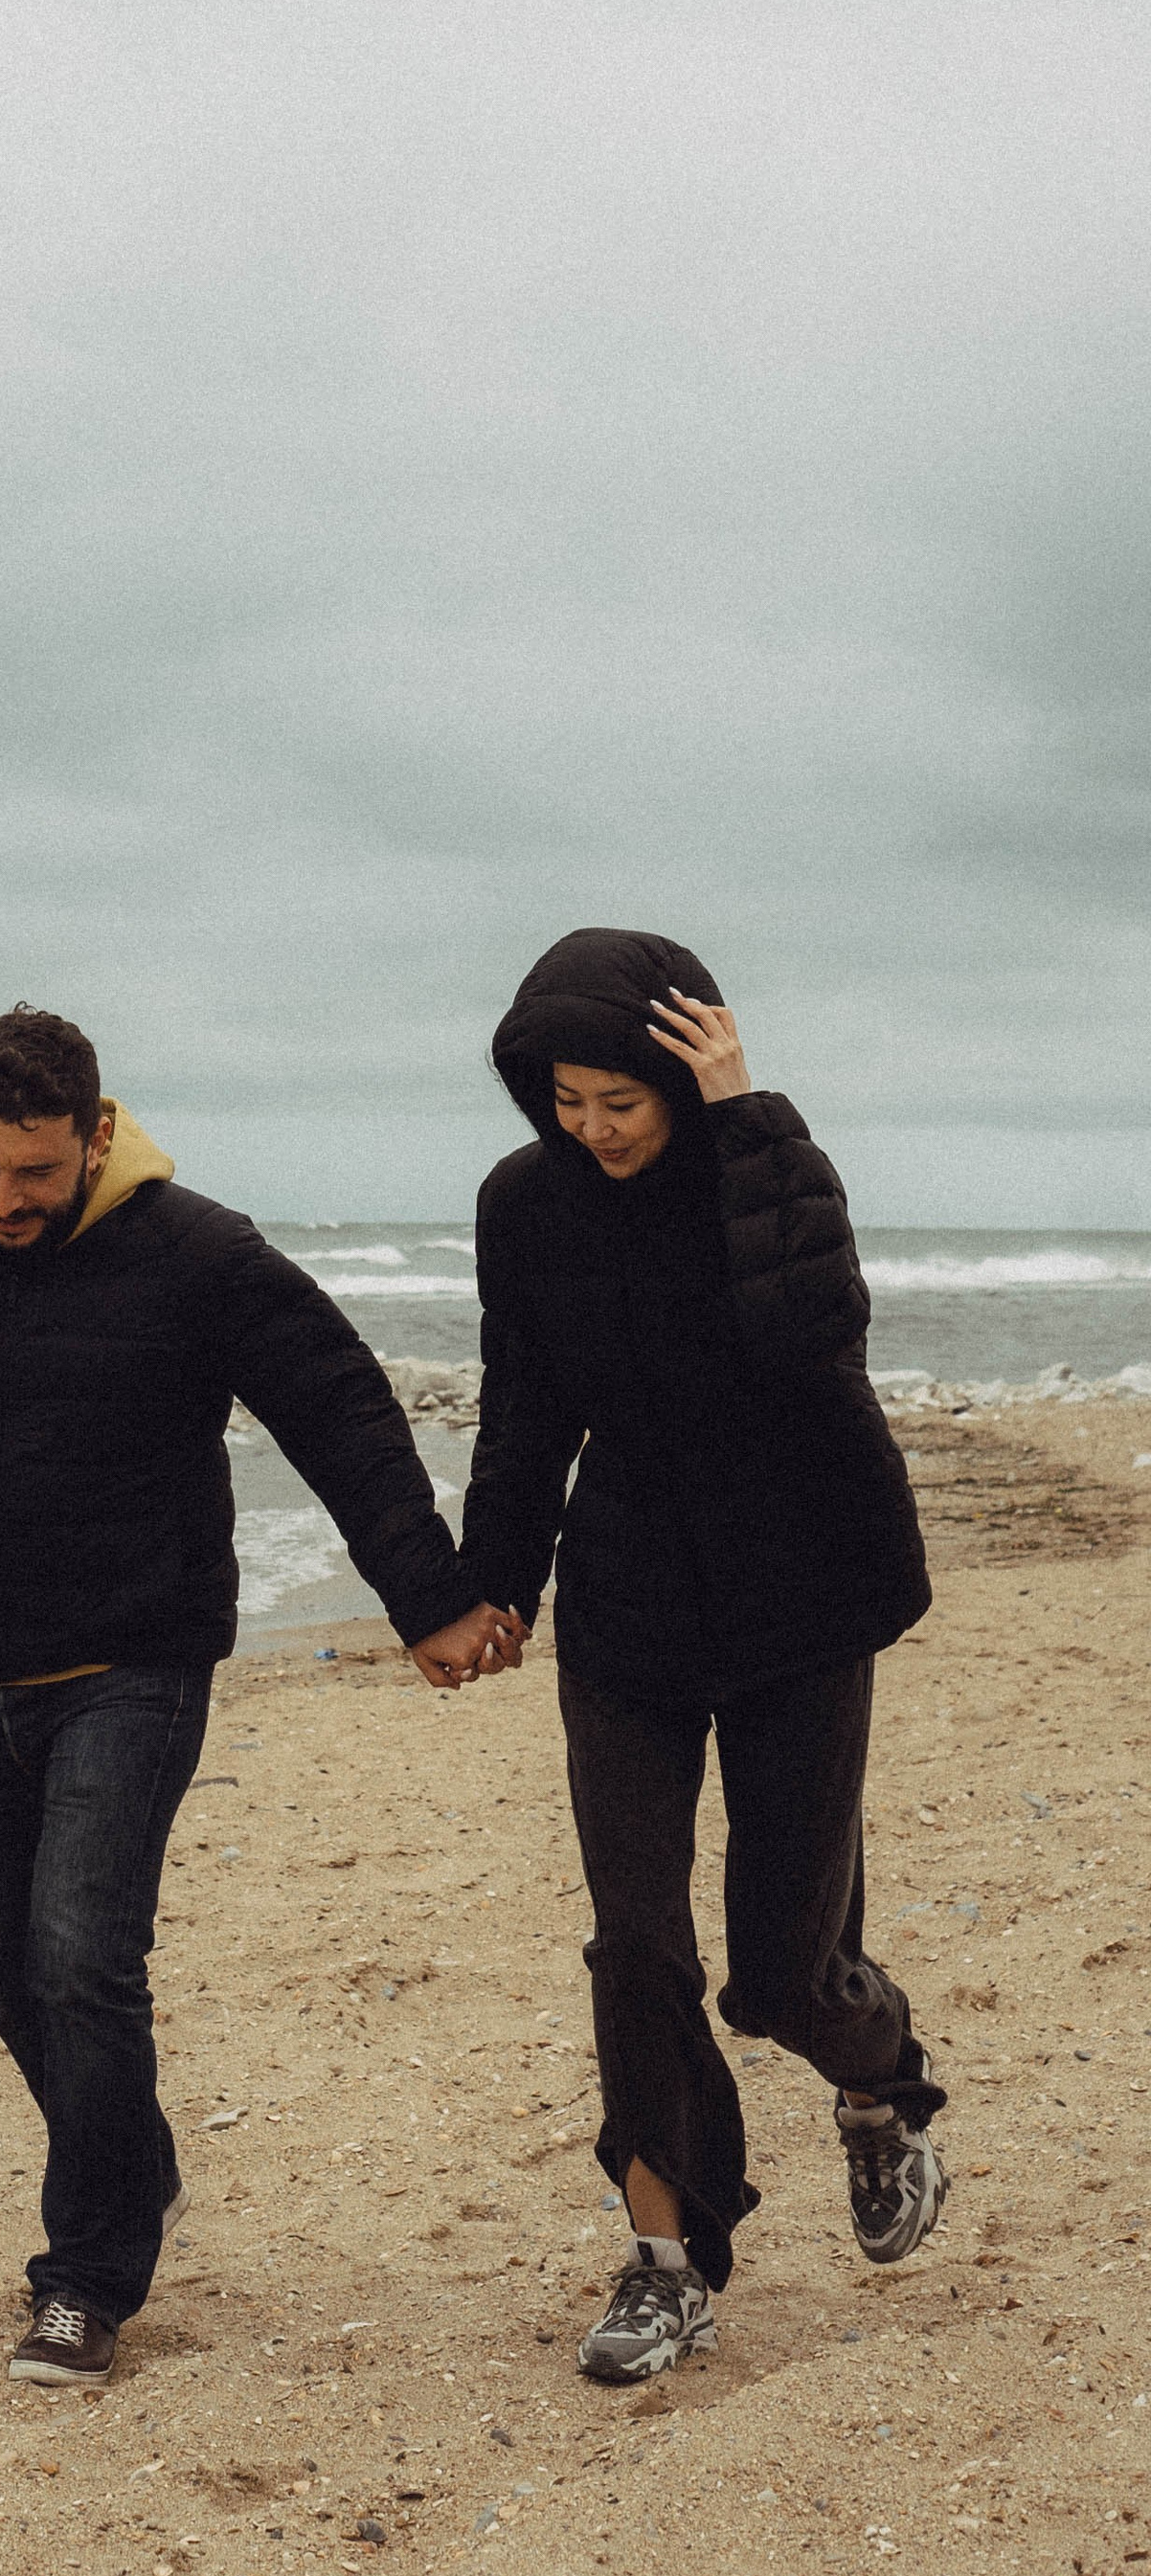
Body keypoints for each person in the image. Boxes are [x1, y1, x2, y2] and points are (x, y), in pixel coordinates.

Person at [0, 1003, 504, 2388]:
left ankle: (84, 2279)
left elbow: (338, 1407)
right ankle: (131, 2166)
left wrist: (428, 1599)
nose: (5, 1200)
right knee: (2, 1964)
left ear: (96, 1134)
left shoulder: (195, 1252)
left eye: (34, 1169)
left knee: (83, 1955)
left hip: (138, 1661)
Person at [463, 928, 946, 2386]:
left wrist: (745, 1119)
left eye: (625, 1100)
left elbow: (819, 1333)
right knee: (636, 1939)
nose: (595, 1130)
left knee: (783, 1973)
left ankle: (879, 2086)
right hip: (629, 1598)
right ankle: (669, 2257)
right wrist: (495, 1583)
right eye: (568, 1102)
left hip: (804, 1585)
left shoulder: (762, 1165)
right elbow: (523, 1404)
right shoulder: (525, 1205)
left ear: (685, 1074)